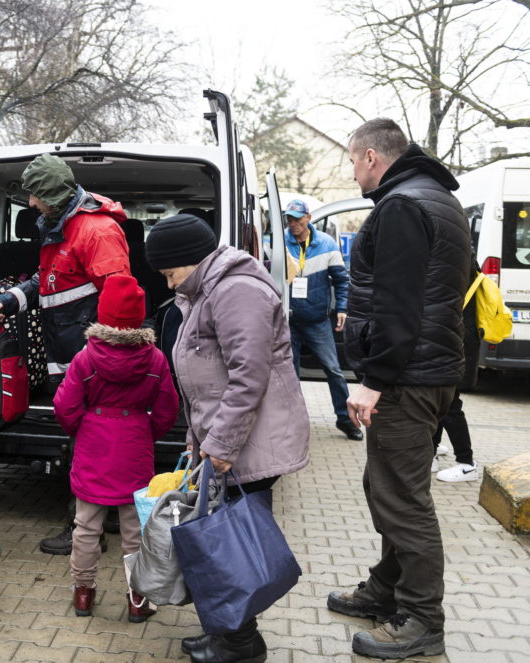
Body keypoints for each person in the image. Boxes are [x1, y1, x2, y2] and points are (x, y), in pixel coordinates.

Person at [327, 119, 469, 660]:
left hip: (406, 380)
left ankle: (421, 619)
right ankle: (386, 589)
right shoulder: (438, 200)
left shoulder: (402, 206)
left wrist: (373, 381)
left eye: (351, 160)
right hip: (432, 373)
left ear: (369, 157)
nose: (352, 171)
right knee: (387, 487)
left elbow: (398, 306)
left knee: (403, 500)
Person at [145, 214, 310, 663]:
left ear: (189, 261)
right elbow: (208, 380)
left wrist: (221, 445)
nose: (167, 282)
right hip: (229, 439)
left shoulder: (236, 290)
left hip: (248, 442)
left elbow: (246, 377)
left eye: (169, 272)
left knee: (230, 541)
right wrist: (199, 438)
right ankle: (231, 635)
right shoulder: (206, 291)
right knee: (225, 536)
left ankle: (240, 644)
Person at [0, 153, 131, 555]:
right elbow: (46, 281)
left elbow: (119, 299)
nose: (30, 204)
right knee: (85, 441)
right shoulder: (61, 227)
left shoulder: (96, 232)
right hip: (68, 357)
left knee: (87, 445)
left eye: (35, 195)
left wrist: (103, 360)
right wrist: (9, 300)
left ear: (53, 193)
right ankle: (102, 516)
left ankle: (83, 530)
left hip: (89, 362)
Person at [52, 274, 178, 622]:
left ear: (102, 314)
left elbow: (65, 408)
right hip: (135, 447)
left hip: (94, 446)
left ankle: (83, 593)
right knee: (136, 530)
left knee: (86, 527)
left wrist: (84, 427)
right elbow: (168, 409)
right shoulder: (154, 359)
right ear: (139, 317)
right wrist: (144, 430)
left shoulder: (86, 358)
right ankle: (137, 598)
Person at [282, 198, 362, 441]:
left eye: (297, 218)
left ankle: (345, 419)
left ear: (308, 217)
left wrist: (342, 308)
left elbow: (341, 279)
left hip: (317, 320)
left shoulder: (326, 244)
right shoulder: (278, 243)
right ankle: (292, 424)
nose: (293, 223)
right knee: (289, 375)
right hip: (288, 320)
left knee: (334, 370)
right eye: (289, 219)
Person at [432, 255, 481, 482]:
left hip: (457, 342)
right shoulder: (459, 254)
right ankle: (431, 454)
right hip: (452, 339)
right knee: (441, 401)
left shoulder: (457, 262)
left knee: (450, 404)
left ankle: (467, 463)